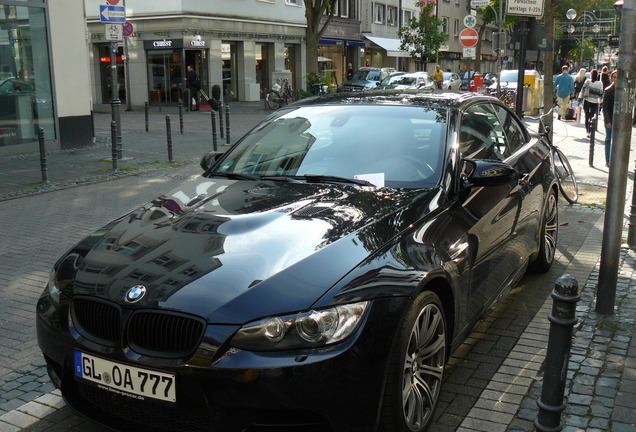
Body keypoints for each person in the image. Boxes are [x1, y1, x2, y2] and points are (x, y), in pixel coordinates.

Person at [579, 69, 604, 137]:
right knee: (592, 116)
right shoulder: (600, 83)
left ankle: (588, 131)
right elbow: (601, 93)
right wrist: (601, 101)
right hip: (595, 102)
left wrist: (579, 98)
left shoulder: (587, 81)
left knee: (587, 116)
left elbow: (583, 90)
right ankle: (591, 128)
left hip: (587, 100)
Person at [602, 70, 617, 167]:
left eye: (618, 77)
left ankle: (616, 159)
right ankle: (608, 160)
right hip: (610, 119)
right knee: (608, 139)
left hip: (619, 120)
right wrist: (607, 120)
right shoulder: (608, 90)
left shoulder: (624, 90)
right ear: (611, 78)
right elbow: (605, 108)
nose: (616, 79)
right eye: (614, 77)